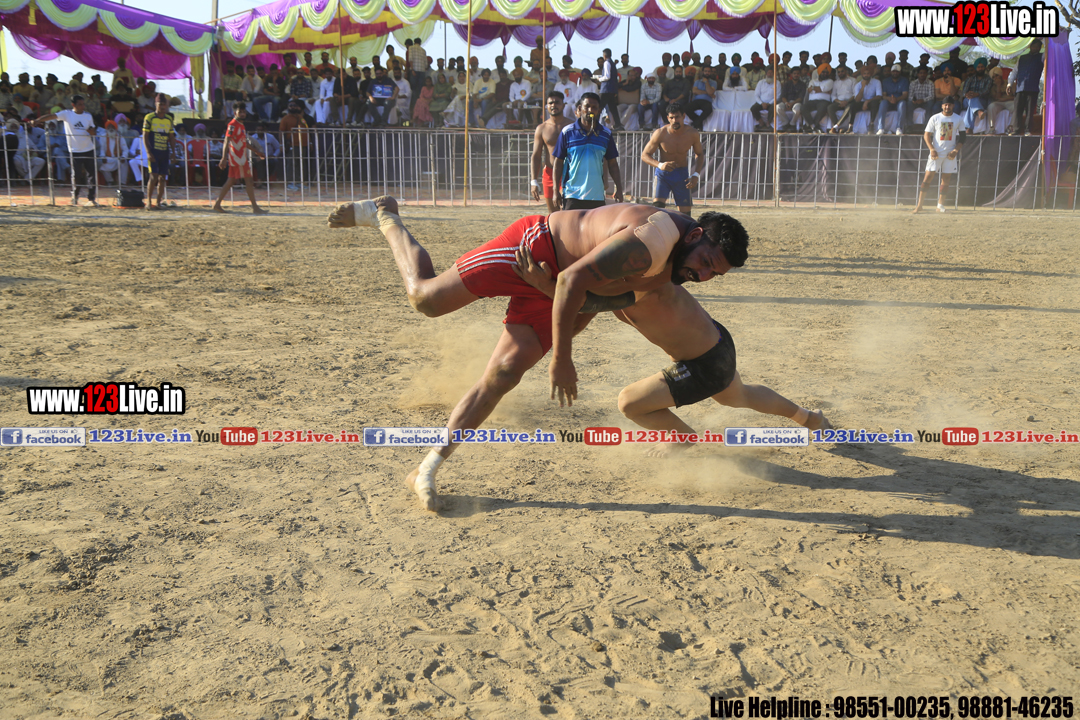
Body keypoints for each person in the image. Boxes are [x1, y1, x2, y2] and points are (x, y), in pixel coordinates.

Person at [324, 197, 748, 510]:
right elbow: (573, 284)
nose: (702, 275)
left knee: (504, 374)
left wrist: (551, 291)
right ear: (695, 235)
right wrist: (562, 358)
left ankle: (427, 468)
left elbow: (599, 298)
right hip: (534, 250)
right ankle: (385, 215)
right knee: (425, 298)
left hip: (557, 284)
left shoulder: (672, 265)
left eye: (714, 274)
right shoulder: (650, 243)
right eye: (705, 262)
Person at [514, 248, 831, 453]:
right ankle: (811, 419)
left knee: (630, 403)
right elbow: (578, 313)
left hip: (705, 363)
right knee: (738, 395)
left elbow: (583, 300)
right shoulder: (609, 282)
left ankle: (682, 438)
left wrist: (547, 286)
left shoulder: (640, 278)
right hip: (716, 345)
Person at [552, 93, 624, 210]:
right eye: (587, 106)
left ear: (599, 111)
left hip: (596, 196)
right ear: (580, 109)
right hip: (572, 195)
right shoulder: (567, 132)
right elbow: (558, 162)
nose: (590, 110)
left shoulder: (606, 134)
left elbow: (613, 164)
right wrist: (555, 190)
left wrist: (619, 189)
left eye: (594, 107)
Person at [33, 95, 98, 206]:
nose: (82, 106)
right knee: (76, 175)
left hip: (89, 149)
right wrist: (38, 120)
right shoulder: (67, 114)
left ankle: (91, 199)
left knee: (91, 175)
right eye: (80, 104)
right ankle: (75, 196)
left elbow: (93, 130)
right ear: (73, 105)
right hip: (75, 150)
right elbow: (51, 116)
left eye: (83, 104)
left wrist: (92, 132)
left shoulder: (88, 116)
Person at [640, 104, 703, 215]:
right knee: (657, 210)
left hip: (682, 175)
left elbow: (700, 154)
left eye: (677, 117)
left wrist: (696, 175)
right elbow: (644, 155)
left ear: (683, 116)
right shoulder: (660, 133)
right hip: (663, 175)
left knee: (685, 215)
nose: (674, 120)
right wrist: (660, 165)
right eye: (671, 117)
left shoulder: (692, 134)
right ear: (668, 118)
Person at [912, 97, 965, 214]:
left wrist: (956, 150)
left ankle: (940, 205)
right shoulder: (935, 118)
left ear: (953, 106)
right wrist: (932, 149)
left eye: (949, 105)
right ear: (942, 106)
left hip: (950, 153)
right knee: (928, 177)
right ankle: (919, 205)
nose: (947, 107)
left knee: (946, 179)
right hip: (936, 152)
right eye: (945, 105)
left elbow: (963, 137)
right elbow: (926, 135)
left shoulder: (958, 118)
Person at [213, 103, 267, 214]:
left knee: (231, 181)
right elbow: (226, 140)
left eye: (243, 112)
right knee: (248, 180)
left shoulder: (241, 125)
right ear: (235, 113)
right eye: (240, 112)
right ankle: (255, 207)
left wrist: (257, 152)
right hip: (238, 158)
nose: (242, 114)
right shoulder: (233, 125)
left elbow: (244, 142)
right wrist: (223, 157)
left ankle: (217, 204)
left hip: (240, 157)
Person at [531, 91, 573, 213]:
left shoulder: (572, 126)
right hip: (549, 174)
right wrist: (533, 181)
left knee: (567, 211)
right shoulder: (542, 128)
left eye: (557, 102)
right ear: (547, 106)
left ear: (563, 105)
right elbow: (536, 156)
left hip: (569, 174)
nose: (553, 105)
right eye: (550, 103)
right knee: (553, 214)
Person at [139, 94, 175, 210]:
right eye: (160, 104)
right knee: (153, 176)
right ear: (156, 104)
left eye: (164, 105)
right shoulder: (149, 117)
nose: (163, 107)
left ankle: (158, 202)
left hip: (164, 152)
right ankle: (149, 202)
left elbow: (171, 137)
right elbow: (145, 135)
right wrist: (148, 152)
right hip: (153, 151)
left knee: (162, 178)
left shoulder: (169, 119)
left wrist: (173, 152)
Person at [1010, 40, 1042, 136]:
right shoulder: (1022, 58)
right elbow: (1014, 72)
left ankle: (1028, 130)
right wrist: (1009, 84)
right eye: (1034, 46)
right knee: (1017, 110)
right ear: (1030, 46)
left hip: (1033, 88)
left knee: (1029, 111)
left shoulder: (1042, 57)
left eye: (1038, 47)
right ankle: (1016, 130)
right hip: (1020, 87)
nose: (1036, 48)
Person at [877, 64, 910, 135]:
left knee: (902, 104)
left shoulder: (904, 80)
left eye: (897, 71)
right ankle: (881, 128)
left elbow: (905, 95)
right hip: (888, 100)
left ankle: (899, 128)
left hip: (899, 100)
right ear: (891, 72)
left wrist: (896, 99)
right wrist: (889, 98)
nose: (895, 73)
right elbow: (883, 95)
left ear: (900, 72)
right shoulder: (885, 81)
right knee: (882, 103)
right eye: (893, 71)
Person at [597, 48, 622, 131]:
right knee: (613, 108)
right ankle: (618, 124)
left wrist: (599, 79)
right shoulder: (612, 63)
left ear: (604, 55)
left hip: (606, 89)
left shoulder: (607, 63)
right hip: (612, 89)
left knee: (599, 106)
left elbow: (607, 76)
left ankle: (594, 123)